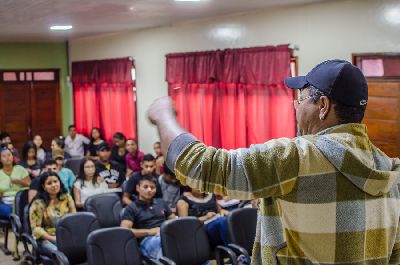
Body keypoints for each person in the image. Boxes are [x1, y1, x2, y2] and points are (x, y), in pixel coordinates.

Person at [148, 59, 400, 264]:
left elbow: (197, 165)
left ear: (323, 105)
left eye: (300, 100)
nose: (296, 109)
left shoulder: (296, 157)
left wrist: (163, 115)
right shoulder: (389, 170)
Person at [121, 175, 176, 260]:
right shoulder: (131, 208)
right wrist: (149, 232)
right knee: (166, 250)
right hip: (148, 240)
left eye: (152, 187)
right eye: (145, 187)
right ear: (138, 188)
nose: (149, 190)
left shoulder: (161, 202)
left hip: (166, 235)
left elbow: (174, 220)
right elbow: (124, 231)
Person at [29, 171, 76, 256]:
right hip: (46, 238)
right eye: (49, 183)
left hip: (66, 235)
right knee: (61, 254)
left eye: (55, 181)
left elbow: (74, 218)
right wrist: (53, 239)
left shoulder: (66, 197)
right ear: (44, 187)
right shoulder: (38, 203)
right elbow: (36, 228)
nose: (54, 185)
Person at [0, 146, 30, 218]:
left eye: (9, 155)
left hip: (21, 200)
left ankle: (14, 218)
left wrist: (19, 182)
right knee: (5, 209)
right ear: (0, 159)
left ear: (13, 157)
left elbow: (30, 185)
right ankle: (15, 217)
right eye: (4, 156)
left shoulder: (20, 169)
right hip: (5, 203)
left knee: (22, 208)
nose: (7, 157)